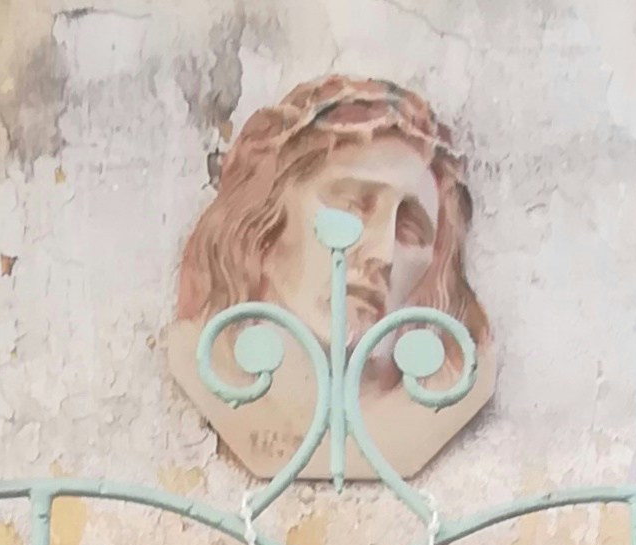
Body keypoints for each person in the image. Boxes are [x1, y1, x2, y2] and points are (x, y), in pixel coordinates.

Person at [163, 75, 498, 482]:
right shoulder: (199, 355)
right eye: (351, 206)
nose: (383, 253)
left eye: (410, 230)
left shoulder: (444, 396)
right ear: (262, 221)